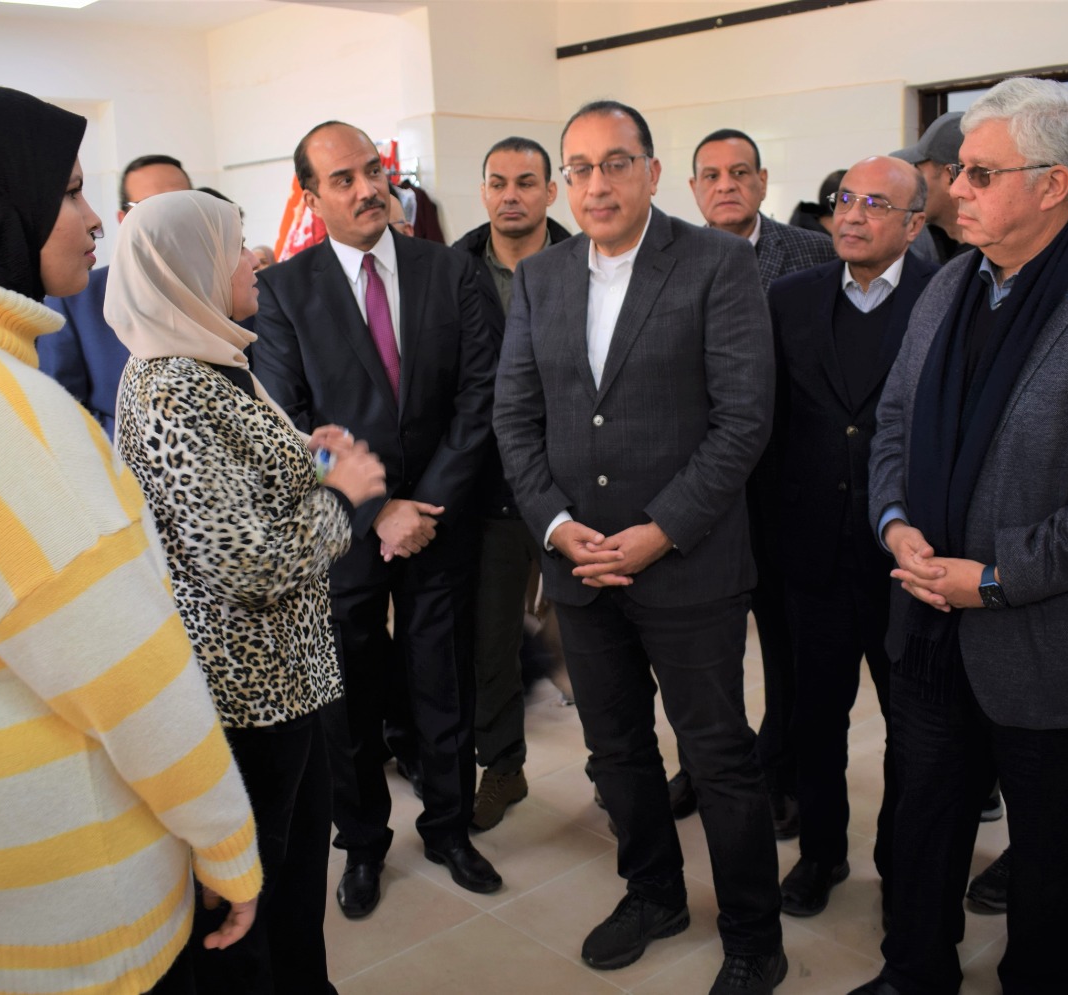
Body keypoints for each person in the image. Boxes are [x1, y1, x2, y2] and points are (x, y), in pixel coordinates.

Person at [0, 83, 261, 995]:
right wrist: (226, 844)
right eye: (68, 192)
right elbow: (127, 673)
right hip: (74, 906)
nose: (97, 219)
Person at [855, 77, 1068, 995]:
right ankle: (913, 972)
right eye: (958, 170)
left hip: (1059, 650)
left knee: (1051, 866)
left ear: (1053, 185)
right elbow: (894, 421)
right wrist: (894, 522)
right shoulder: (948, 285)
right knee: (924, 825)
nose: (952, 189)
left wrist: (996, 577)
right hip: (929, 629)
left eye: (979, 173)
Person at [494, 99, 786, 995]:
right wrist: (555, 526)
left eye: (615, 163)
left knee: (717, 755)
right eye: (579, 168)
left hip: (687, 563)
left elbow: (744, 419)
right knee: (615, 749)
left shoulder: (716, 264)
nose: (597, 184)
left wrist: (660, 530)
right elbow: (515, 417)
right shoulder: (540, 277)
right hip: (579, 567)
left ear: (653, 173)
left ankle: (753, 935)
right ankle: (653, 892)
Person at [106, 189, 385, 994]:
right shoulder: (170, 387)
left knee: (293, 881)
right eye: (234, 247)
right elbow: (247, 562)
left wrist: (317, 460)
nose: (255, 258)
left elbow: (248, 494)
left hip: (285, 676)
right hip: (243, 690)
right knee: (251, 899)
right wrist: (345, 497)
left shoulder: (211, 361)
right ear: (188, 268)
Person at [252, 120, 501, 920]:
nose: (366, 190)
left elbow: (480, 394)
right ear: (311, 196)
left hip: (439, 517)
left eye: (372, 171)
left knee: (443, 682)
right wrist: (377, 510)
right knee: (350, 699)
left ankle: (450, 828)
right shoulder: (283, 291)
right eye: (343, 179)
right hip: (344, 532)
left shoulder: (448, 269)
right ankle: (362, 842)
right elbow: (288, 420)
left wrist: (422, 505)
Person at [767, 157, 936, 921]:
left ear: (915, 222)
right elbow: (770, 420)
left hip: (906, 557)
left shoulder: (946, 298)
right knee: (815, 719)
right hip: (811, 551)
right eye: (845, 200)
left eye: (875, 203)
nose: (854, 215)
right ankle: (821, 853)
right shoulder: (790, 297)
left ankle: (902, 861)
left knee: (911, 728)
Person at [677, 127, 838, 835]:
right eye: (711, 175)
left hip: (785, 484)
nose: (726, 185)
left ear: (763, 181)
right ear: (692, 188)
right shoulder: (668, 258)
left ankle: (782, 770)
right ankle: (705, 764)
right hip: (699, 487)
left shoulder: (812, 253)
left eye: (740, 172)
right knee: (702, 651)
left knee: (785, 643)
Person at [452, 136, 573, 830]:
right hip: (488, 488)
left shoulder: (588, 261)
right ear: (483, 191)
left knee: (593, 640)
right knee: (491, 641)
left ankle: (616, 769)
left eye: (526, 182)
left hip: (574, 485)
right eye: (498, 182)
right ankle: (503, 766)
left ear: (550, 192)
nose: (511, 195)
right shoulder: (453, 269)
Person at [38, 153, 194, 437]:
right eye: (150, 206)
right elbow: (63, 412)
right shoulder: (76, 300)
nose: (170, 216)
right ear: (124, 218)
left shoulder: (233, 290)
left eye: (182, 203)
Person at [892, 111, 971, 265]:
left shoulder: (984, 263)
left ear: (950, 177)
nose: (912, 184)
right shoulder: (936, 248)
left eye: (918, 172)